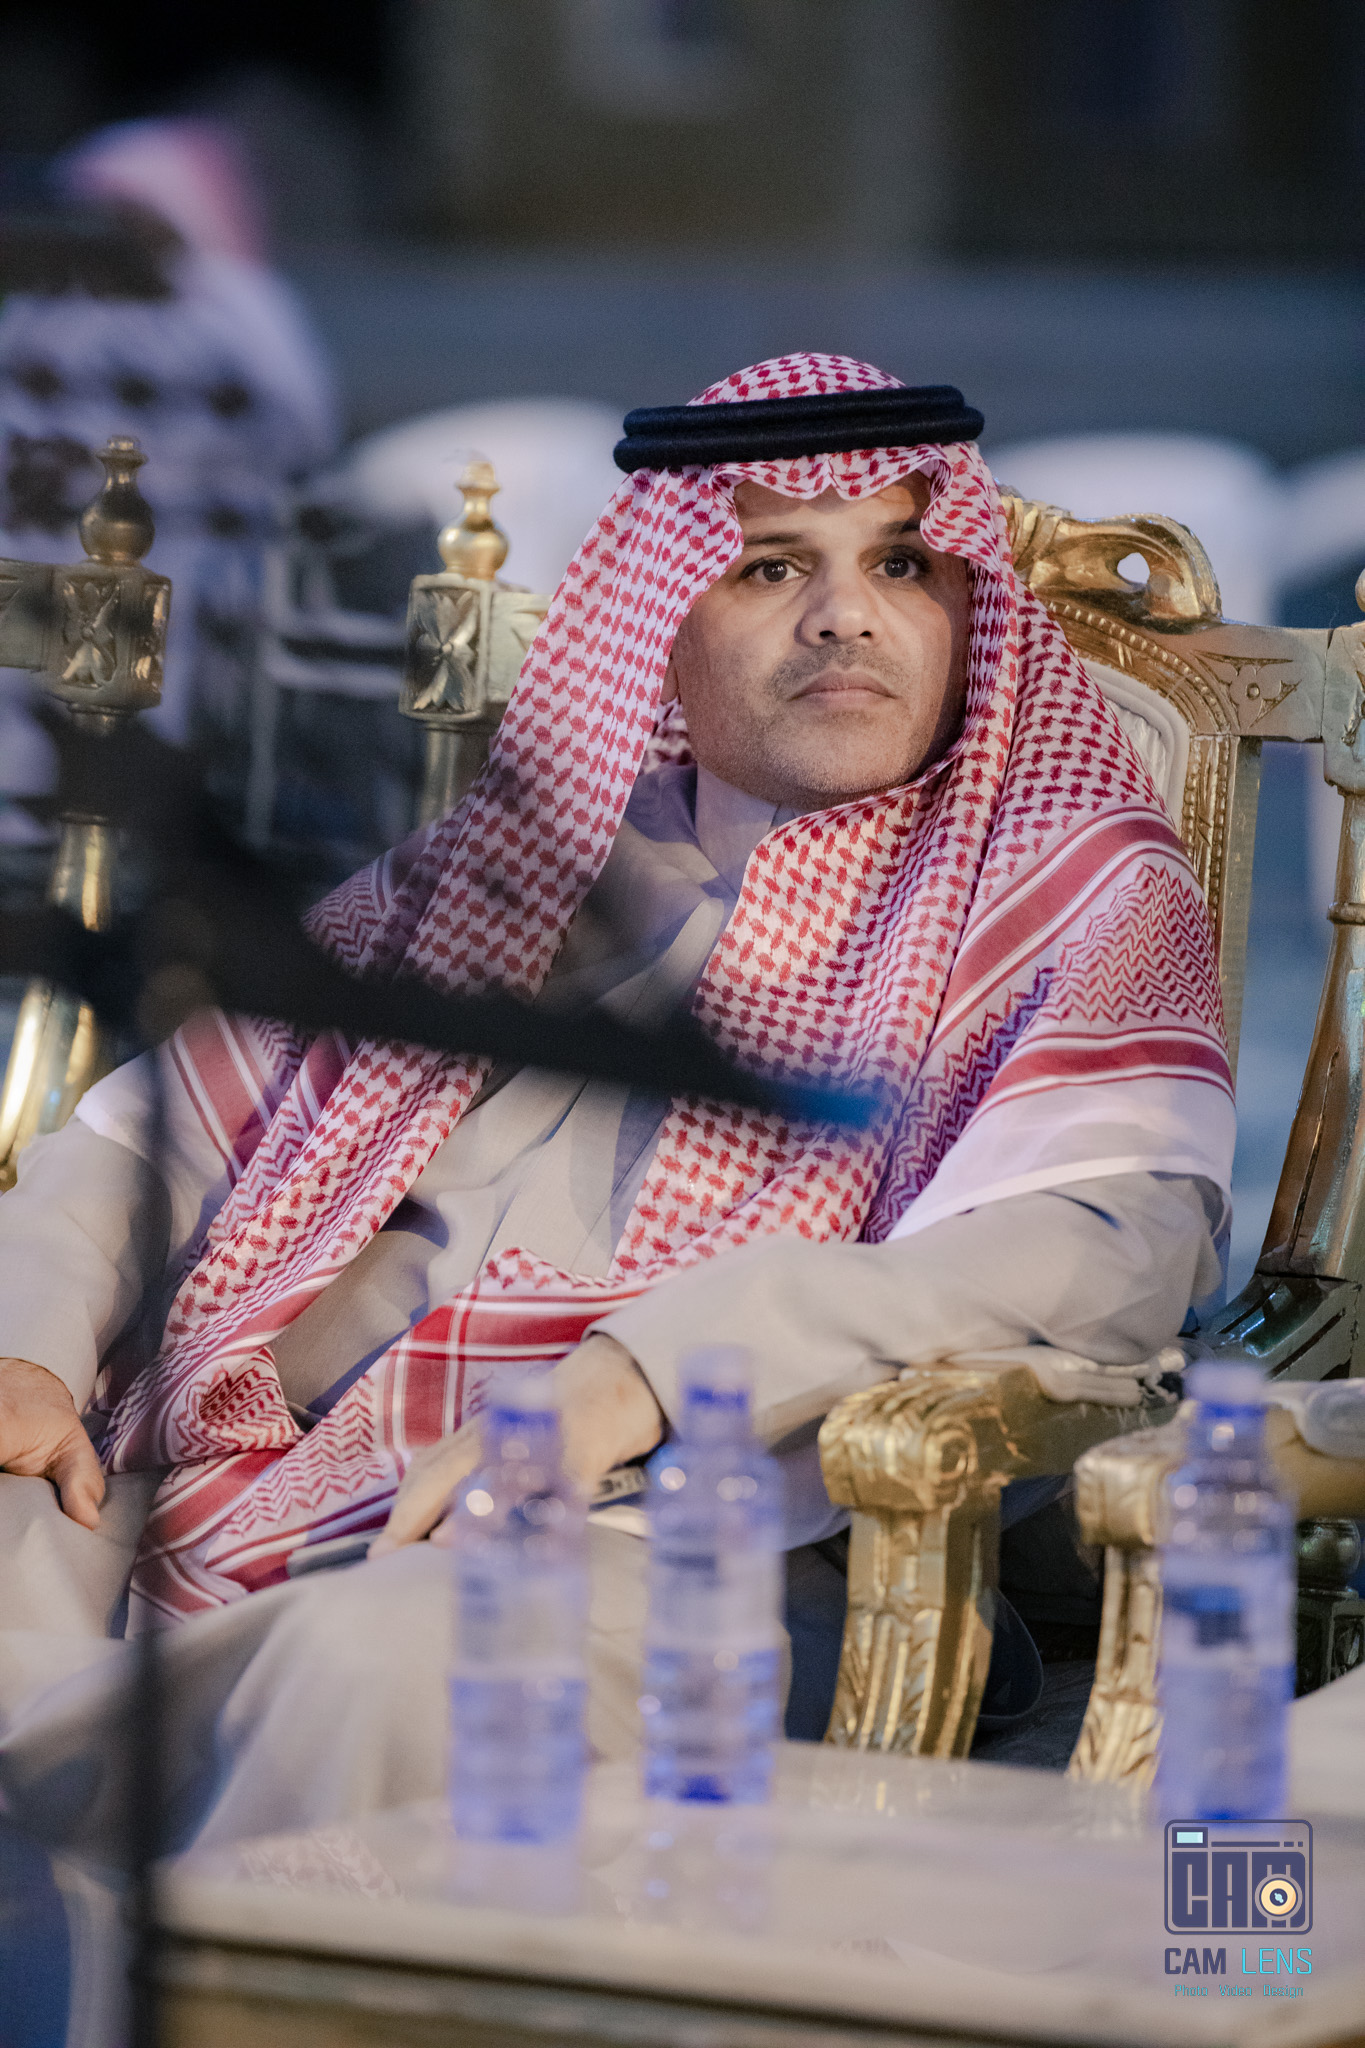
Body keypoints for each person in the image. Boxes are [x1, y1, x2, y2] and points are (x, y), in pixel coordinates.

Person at [0, 355, 1231, 1861]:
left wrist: (644, 1375)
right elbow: (145, 1132)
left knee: (379, 1668)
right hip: (240, 1476)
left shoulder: (1076, 898)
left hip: (682, 1542)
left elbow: (1103, 1243)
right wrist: (24, 1346)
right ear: (659, 622)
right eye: (771, 565)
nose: (845, 615)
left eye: (903, 564)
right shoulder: (510, 867)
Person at [0, 116, 337, 840]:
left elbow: (292, 437)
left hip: (170, 591)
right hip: (77, 579)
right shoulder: (62, 307)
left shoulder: (223, 306)